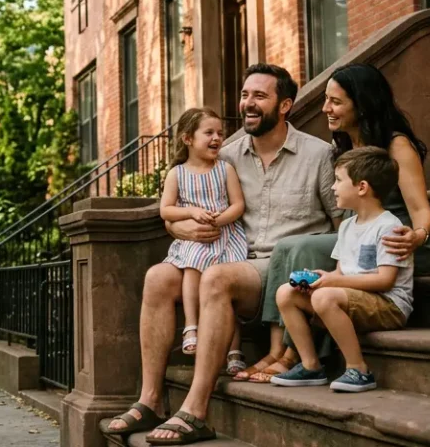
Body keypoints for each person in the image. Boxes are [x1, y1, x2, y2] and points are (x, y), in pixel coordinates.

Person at [103, 64, 340, 445]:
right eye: (245, 95)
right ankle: (150, 400)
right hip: (233, 256)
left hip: (284, 269)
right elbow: (179, 209)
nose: (248, 103)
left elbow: (343, 223)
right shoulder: (223, 156)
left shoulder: (318, 155)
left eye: (259, 96)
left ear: (285, 106)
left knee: (217, 276)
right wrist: (179, 228)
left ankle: (196, 410)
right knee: (158, 277)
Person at [237, 63, 430, 382]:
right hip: (357, 237)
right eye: (326, 99)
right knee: (289, 248)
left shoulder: (396, 144)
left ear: (362, 104)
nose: (325, 108)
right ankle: (277, 348)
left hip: (393, 243)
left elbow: (421, 210)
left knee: (302, 247)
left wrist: (418, 235)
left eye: (336, 101)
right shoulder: (342, 144)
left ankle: (292, 355)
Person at [270, 147, 413, 392]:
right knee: (286, 293)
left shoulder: (388, 226)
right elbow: (341, 272)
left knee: (324, 297)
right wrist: (322, 278)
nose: (333, 187)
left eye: (338, 180)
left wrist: (332, 284)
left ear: (362, 187)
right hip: (353, 298)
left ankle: (359, 369)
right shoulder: (347, 226)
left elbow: (385, 280)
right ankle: (311, 365)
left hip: (389, 305)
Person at [157, 107, 247, 370]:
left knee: (227, 286)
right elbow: (166, 210)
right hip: (195, 240)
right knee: (193, 263)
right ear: (188, 138)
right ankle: (191, 326)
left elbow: (238, 205)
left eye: (220, 133)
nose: (216, 138)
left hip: (225, 236)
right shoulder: (177, 174)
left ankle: (234, 350)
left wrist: (219, 220)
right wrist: (192, 212)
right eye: (209, 133)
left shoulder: (225, 169)